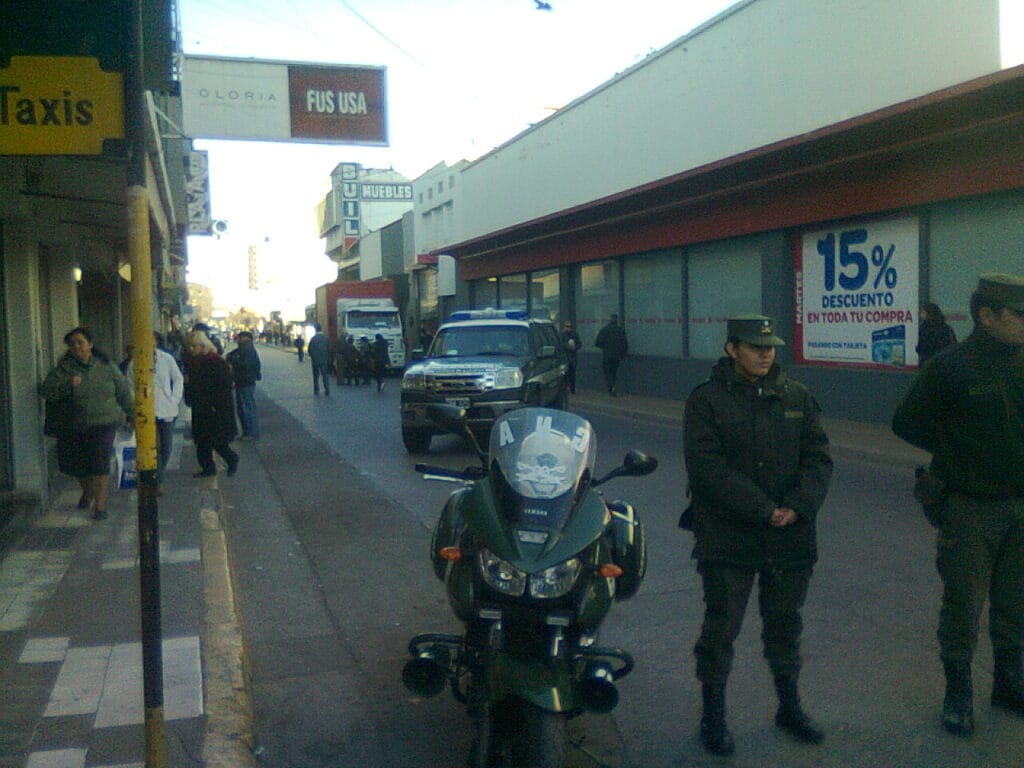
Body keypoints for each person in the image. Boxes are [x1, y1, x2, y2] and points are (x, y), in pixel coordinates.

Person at [682, 314, 833, 756]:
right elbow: (707, 469)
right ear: (732, 349)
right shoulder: (706, 401)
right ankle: (713, 718)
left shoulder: (797, 396)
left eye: (770, 345)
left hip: (790, 537)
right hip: (729, 538)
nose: (766, 353)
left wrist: (799, 507)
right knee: (721, 628)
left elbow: (818, 459)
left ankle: (789, 707)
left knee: (785, 625)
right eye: (755, 345)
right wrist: (764, 510)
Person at [892, 273, 1024, 738]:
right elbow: (907, 424)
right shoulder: (950, 366)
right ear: (986, 316)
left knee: (1016, 604)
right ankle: (958, 694)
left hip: (1020, 506)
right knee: (964, 606)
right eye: (1019, 314)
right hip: (970, 508)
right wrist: (959, 452)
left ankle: (1009, 684)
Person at [41, 327, 134, 520]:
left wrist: (132, 414)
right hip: (74, 424)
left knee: (100, 463)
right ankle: (88, 491)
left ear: (90, 344)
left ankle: (99, 506)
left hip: (104, 423)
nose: (77, 347)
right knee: (76, 465)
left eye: (80, 342)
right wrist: (68, 384)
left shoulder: (107, 366)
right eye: (73, 344)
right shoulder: (64, 369)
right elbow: (46, 390)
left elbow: (123, 392)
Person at [126, 332, 184, 495]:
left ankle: (159, 476)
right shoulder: (134, 363)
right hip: (145, 411)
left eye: (150, 341)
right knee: (151, 447)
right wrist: (134, 408)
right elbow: (129, 387)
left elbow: (178, 379)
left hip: (166, 410)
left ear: (156, 343)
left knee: (166, 448)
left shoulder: (167, 359)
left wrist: (174, 399)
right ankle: (155, 481)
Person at [184, 330, 239, 478]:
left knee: (216, 440)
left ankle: (231, 458)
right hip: (200, 407)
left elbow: (224, 386)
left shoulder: (215, 362)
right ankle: (208, 468)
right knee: (202, 441)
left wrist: (215, 404)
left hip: (214, 409)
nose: (191, 350)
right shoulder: (195, 362)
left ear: (202, 346)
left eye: (193, 346)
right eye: (189, 346)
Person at [226, 331, 262, 439]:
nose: (237, 339)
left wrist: (233, 360)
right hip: (243, 381)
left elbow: (246, 364)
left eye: (239, 337)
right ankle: (248, 431)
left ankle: (251, 432)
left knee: (246, 407)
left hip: (245, 381)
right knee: (244, 407)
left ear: (245, 338)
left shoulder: (246, 349)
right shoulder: (244, 348)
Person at [595, 313, 628, 396]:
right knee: (614, 372)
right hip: (617, 356)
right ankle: (613, 386)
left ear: (610, 320)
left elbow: (597, 342)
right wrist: (623, 354)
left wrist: (604, 347)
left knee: (607, 372)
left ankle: (611, 386)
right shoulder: (620, 330)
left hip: (607, 355)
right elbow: (625, 344)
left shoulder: (605, 330)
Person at [307, 324, 331, 396]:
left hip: (315, 360)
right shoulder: (326, 338)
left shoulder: (313, 338)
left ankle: (316, 390)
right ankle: (327, 390)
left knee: (316, 376)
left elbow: (310, 349)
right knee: (325, 375)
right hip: (324, 359)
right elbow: (329, 348)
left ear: (316, 330)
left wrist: (312, 356)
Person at [561, 320, 581, 394]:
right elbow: (560, 344)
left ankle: (572, 388)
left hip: (573, 357)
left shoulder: (575, 334)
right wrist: (567, 347)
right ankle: (565, 388)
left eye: (570, 326)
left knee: (572, 374)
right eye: (567, 326)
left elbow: (579, 344)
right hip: (565, 357)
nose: (569, 328)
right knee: (565, 374)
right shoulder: (562, 335)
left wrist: (575, 347)